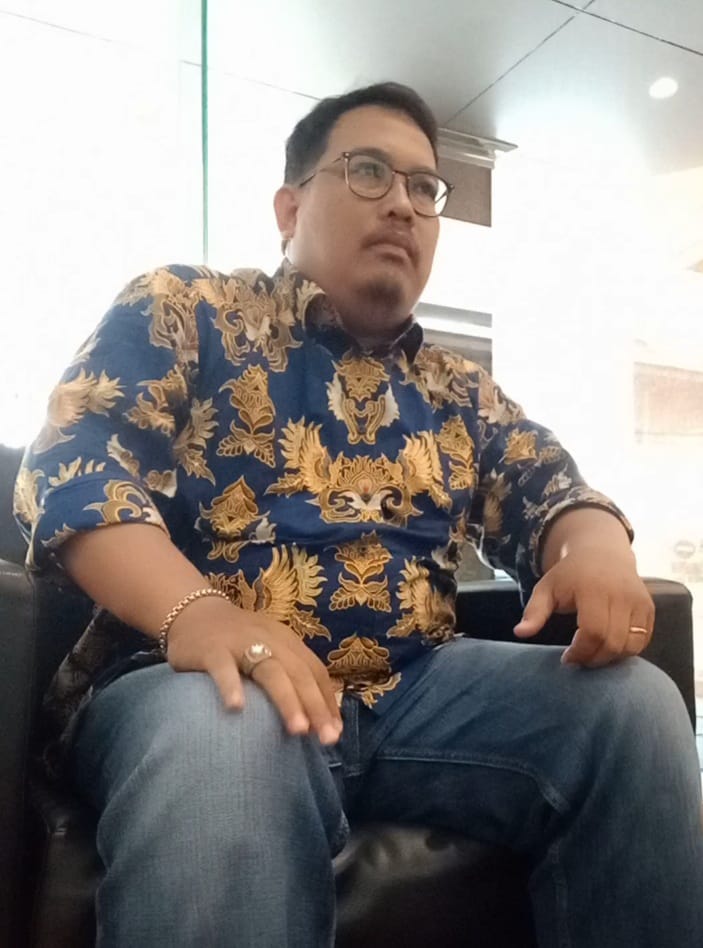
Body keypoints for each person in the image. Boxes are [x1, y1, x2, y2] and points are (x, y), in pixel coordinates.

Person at [14, 82, 703, 947]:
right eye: (369, 171)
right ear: (289, 206)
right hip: (189, 682)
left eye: (424, 187)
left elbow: (551, 490)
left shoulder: (457, 390)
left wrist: (593, 548)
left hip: (416, 693)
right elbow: (76, 461)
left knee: (632, 709)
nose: (403, 205)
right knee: (230, 728)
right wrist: (199, 612)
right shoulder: (186, 309)